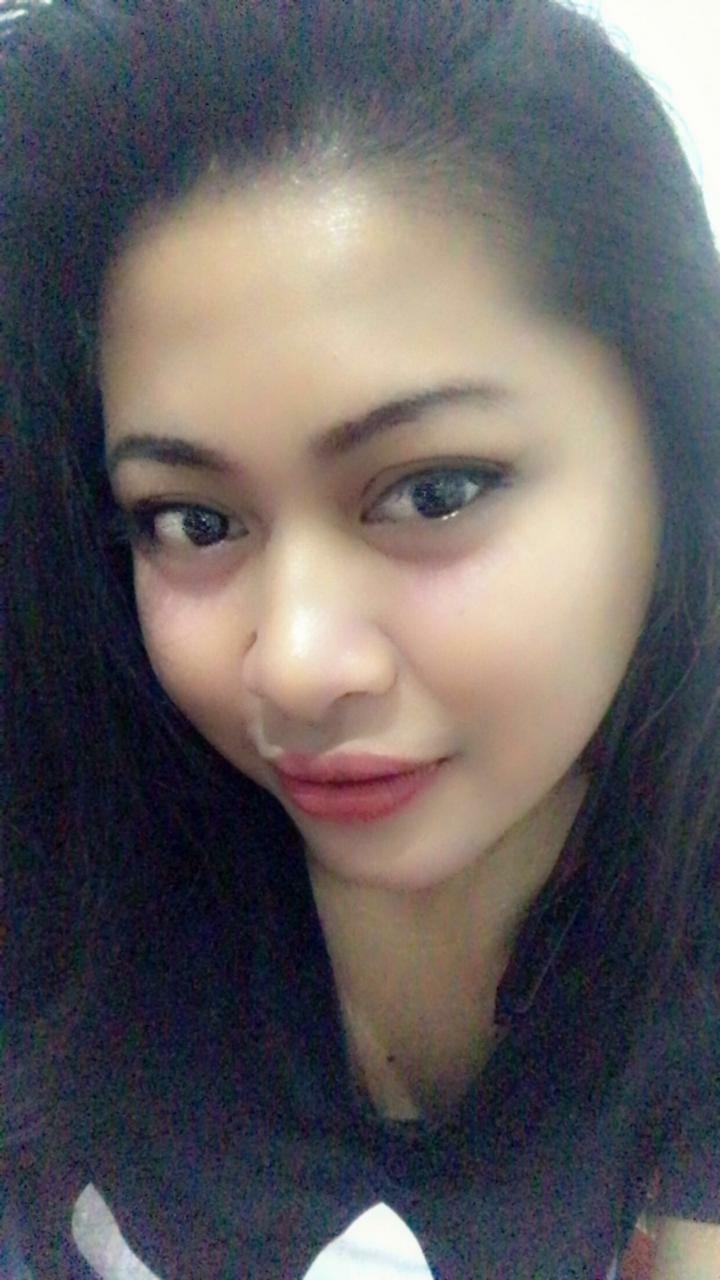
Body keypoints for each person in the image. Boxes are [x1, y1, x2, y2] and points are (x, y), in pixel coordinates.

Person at [3, 0, 719, 1276]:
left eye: (433, 491)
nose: (294, 663)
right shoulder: (67, 861)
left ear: (672, 459)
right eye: (192, 520)